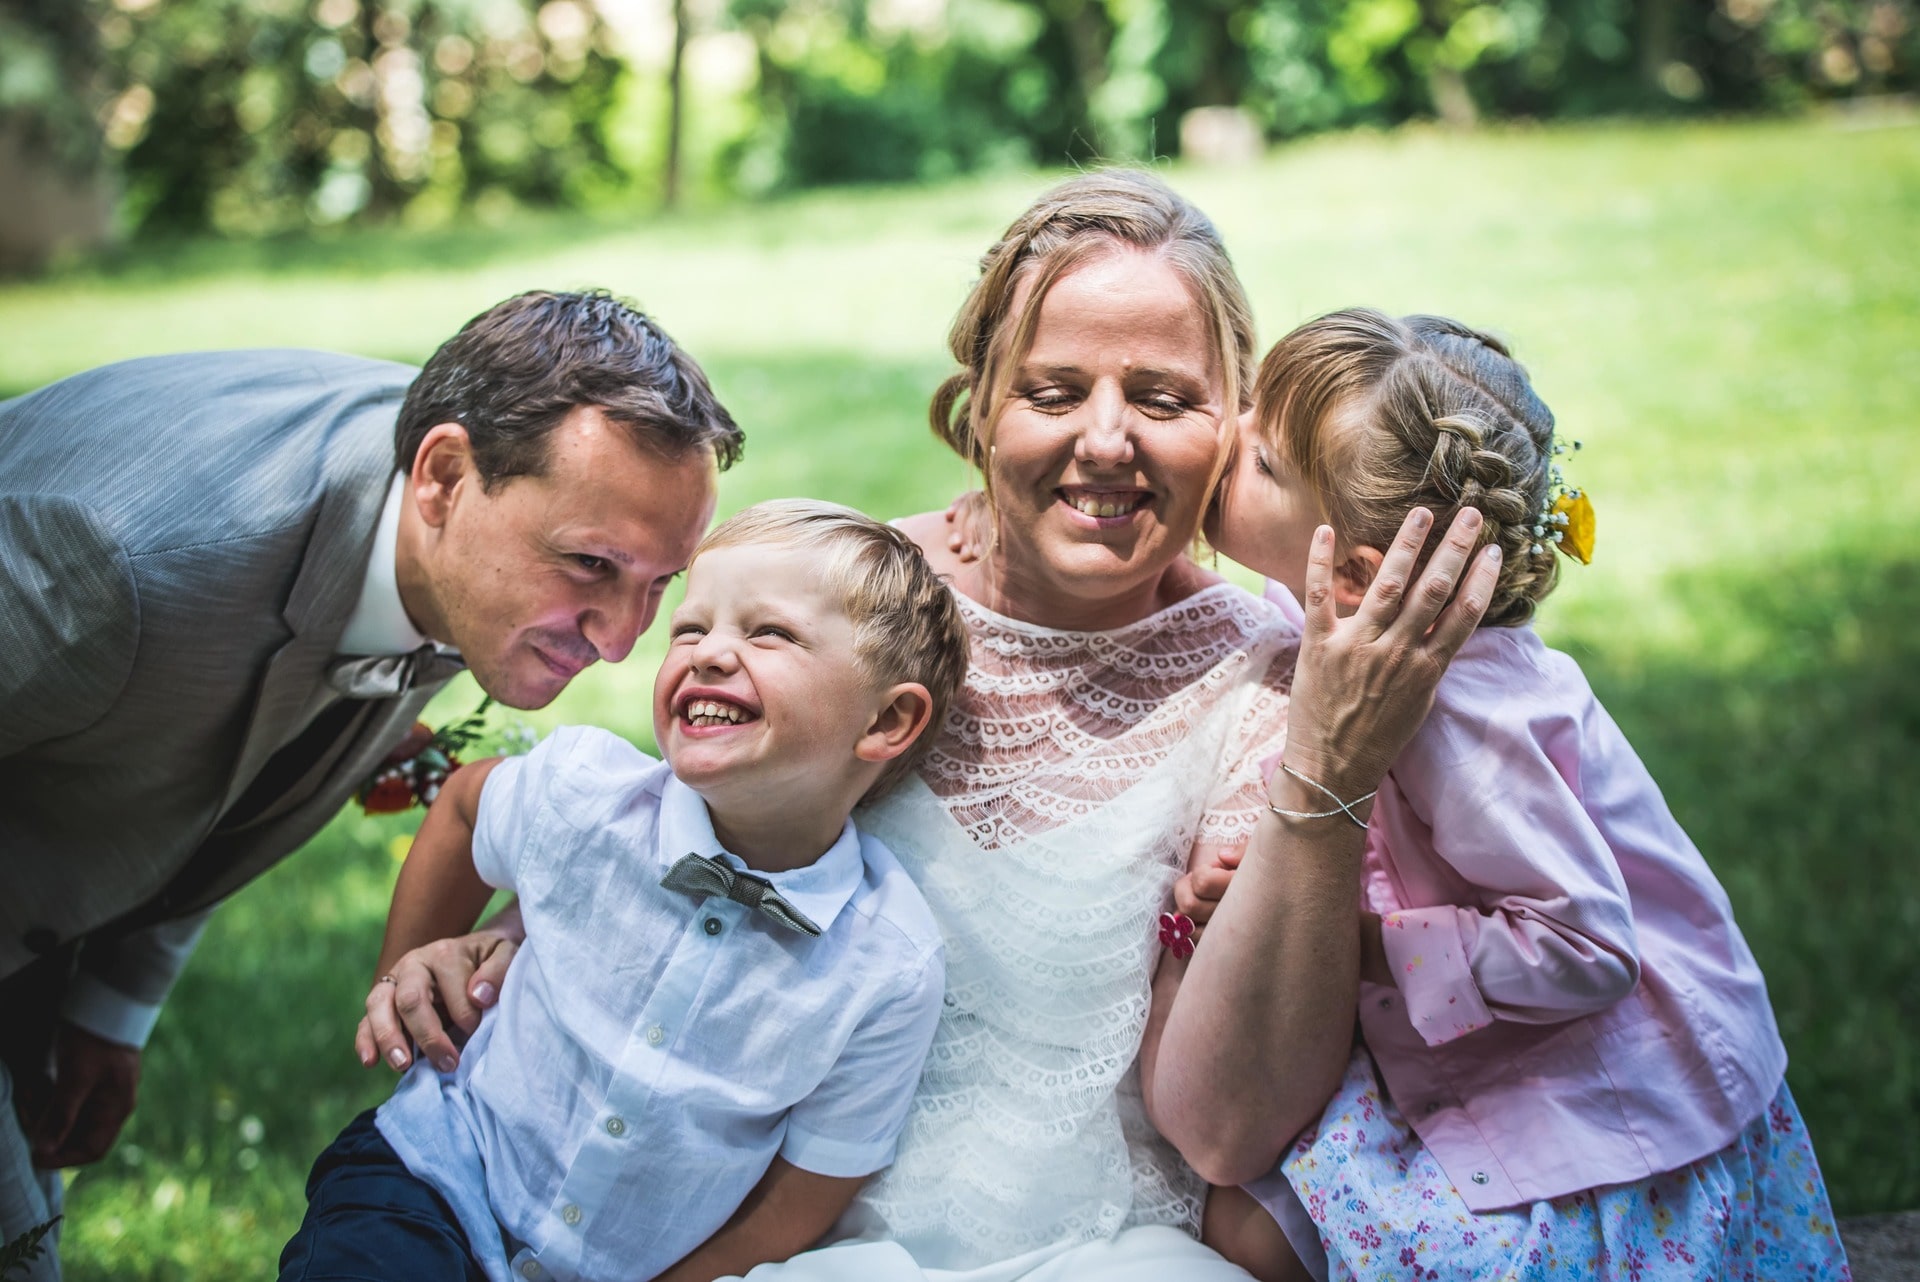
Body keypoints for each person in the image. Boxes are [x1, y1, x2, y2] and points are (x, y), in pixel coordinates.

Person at [367, 172, 1502, 1281]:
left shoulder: (1282, 683)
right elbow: (654, 839)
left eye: (1161, 399)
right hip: (765, 1234)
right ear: (979, 405)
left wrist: (1328, 780)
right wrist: (506, 937)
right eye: (1054, 392)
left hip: (1090, 1245)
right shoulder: (840, 605)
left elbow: (1230, 1135)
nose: (1107, 439)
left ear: (1234, 424)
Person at [0, 289, 741, 1279]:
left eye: (659, 583)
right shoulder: (113, 564)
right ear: (440, 477)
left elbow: (215, 751)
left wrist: (108, 1004)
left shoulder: (467, 518)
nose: (620, 638)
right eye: (591, 566)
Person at [1191, 308, 1849, 1280]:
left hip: (1607, 1101)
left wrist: (1360, 939)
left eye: (1262, 463)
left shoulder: (1463, 720)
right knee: (1249, 1221)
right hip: (1512, 1051)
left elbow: (1587, 947)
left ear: (1365, 576)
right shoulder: (1354, 620)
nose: (1220, 442)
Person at [280, 500, 968, 1282]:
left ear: (885, 720)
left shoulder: (890, 962)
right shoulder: (584, 793)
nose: (708, 654)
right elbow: (464, 804)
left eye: (768, 632)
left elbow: (809, 1187)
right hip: (430, 1177)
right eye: (689, 629)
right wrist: (399, 979)